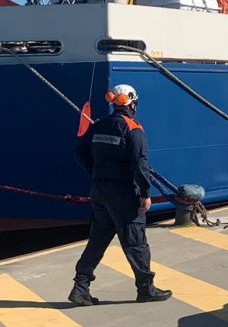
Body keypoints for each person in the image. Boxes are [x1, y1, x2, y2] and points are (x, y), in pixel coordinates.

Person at [69, 84, 172, 306]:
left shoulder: (99, 126)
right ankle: (146, 289)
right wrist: (145, 193)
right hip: (124, 193)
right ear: (132, 104)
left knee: (97, 240)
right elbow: (139, 164)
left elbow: (80, 152)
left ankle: (80, 287)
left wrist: (96, 173)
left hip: (100, 190)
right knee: (135, 242)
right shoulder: (133, 129)